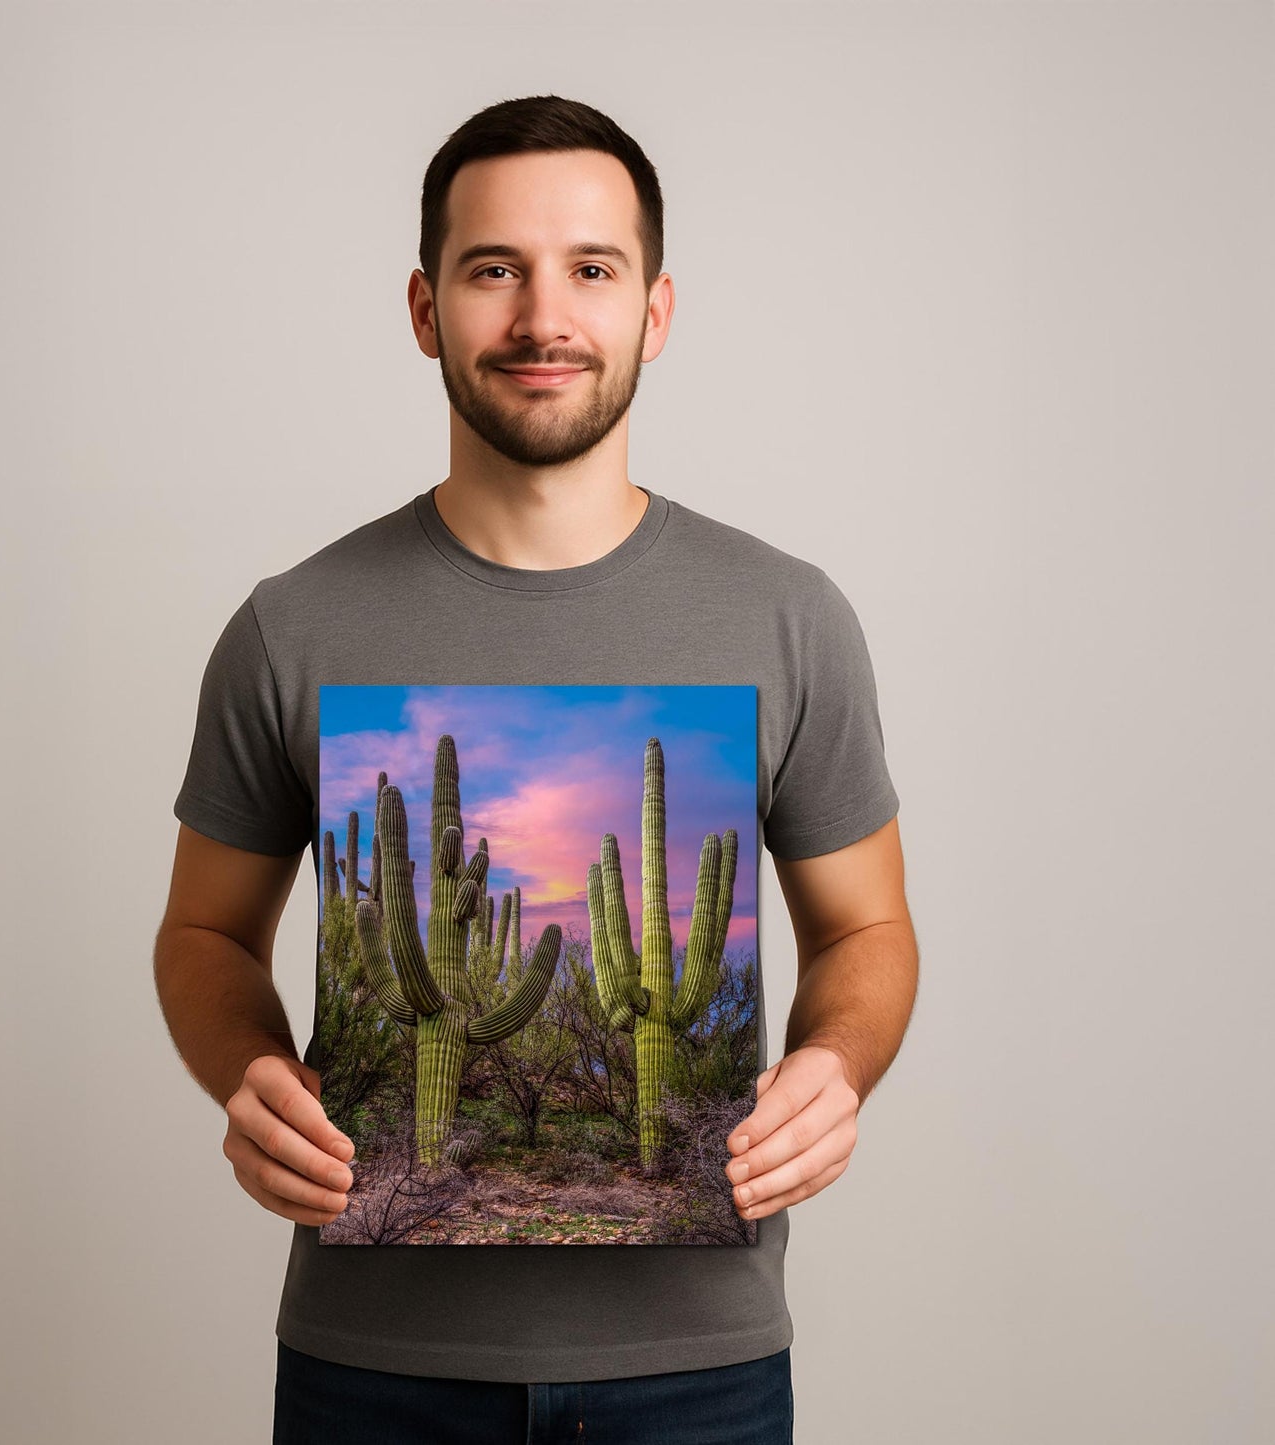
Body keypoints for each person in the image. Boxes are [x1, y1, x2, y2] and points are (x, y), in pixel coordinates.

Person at [155, 94, 919, 1445]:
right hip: (369, 1362)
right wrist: (248, 1070)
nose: (541, 317)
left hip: (699, 1363)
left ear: (655, 309)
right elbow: (204, 930)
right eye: (492, 268)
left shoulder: (790, 615)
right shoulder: (292, 623)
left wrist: (833, 1065)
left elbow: (867, 927)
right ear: (423, 306)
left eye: (590, 269)